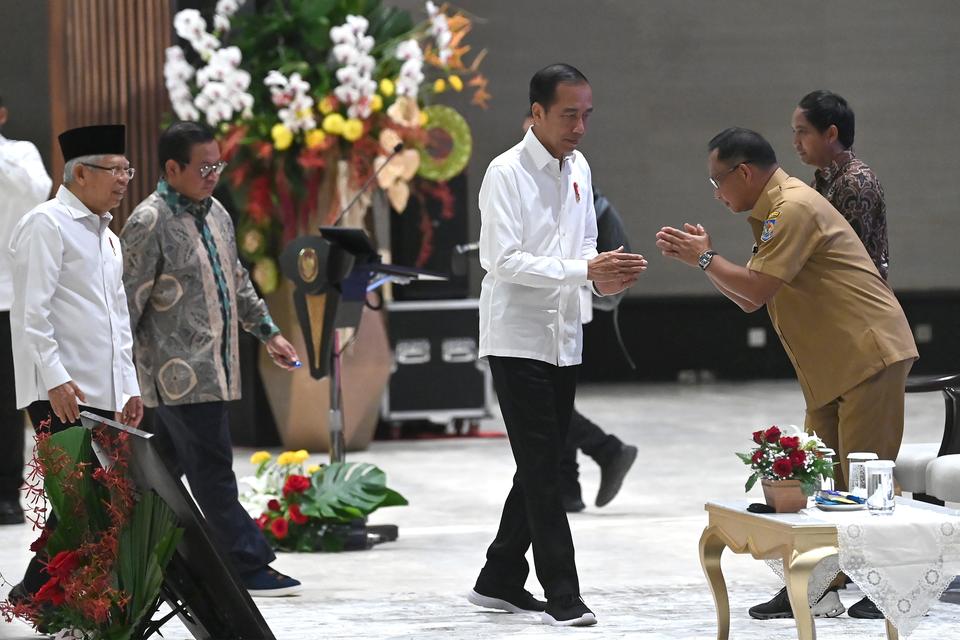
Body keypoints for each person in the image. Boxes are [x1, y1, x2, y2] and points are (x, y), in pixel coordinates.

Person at [655, 127, 918, 621]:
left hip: (868, 353)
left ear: (744, 172)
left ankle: (880, 587)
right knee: (819, 480)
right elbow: (752, 299)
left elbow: (753, 290)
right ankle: (819, 584)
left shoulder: (792, 207)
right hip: (835, 363)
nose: (716, 193)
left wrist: (706, 258)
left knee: (864, 478)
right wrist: (705, 262)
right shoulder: (777, 210)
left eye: (718, 181)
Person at [468, 64, 647, 627]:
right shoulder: (506, 172)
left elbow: (586, 244)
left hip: (565, 335)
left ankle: (498, 578)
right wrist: (582, 269)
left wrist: (602, 276)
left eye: (586, 115)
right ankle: (563, 594)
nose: (579, 127)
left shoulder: (580, 167)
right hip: (517, 336)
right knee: (545, 471)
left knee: (537, 463)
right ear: (536, 113)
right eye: (569, 114)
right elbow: (502, 260)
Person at [120, 121, 302, 597]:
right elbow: (125, 306)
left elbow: (236, 281)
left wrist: (269, 333)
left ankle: (110, 555)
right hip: (177, 376)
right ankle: (247, 563)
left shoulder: (217, 212)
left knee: (153, 480)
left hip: (217, 370)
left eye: (217, 164)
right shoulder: (148, 222)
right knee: (214, 472)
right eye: (203, 166)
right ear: (172, 168)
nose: (213, 174)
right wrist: (123, 379)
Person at [7, 123, 143, 599]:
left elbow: (118, 320)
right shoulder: (45, 224)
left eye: (128, 169)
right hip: (59, 393)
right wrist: (57, 380)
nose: (125, 179)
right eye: (115, 170)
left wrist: (129, 386)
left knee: (90, 507)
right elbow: (31, 314)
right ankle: (44, 598)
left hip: (103, 390)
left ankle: (39, 596)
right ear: (80, 174)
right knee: (81, 506)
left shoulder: (109, 237)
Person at [519, 113, 639, 512]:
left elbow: (583, 243)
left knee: (546, 406)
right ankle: (569, 488)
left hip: (569, 300)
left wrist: (595, 279)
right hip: (542, 301)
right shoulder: (518, 174)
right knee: (553, 402)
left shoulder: (576, 174)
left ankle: (607, 449)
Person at [0, 96, 52, 525]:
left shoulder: (20, 154)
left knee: (14, 401)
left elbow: (38, 190)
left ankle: (6, 496)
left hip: (11, 297)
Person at [791, 90, 889, 279]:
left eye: (802, 131)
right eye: (794, 132)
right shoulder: (823, 180)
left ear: (831, 134)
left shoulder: (855, 181)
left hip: (859, 304)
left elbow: (842, 261)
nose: (795, 142)